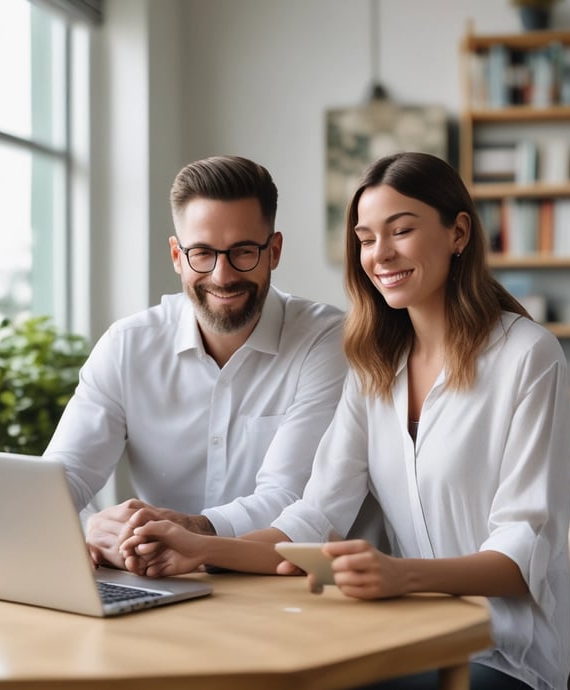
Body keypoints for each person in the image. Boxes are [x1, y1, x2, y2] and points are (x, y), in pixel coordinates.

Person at [120, 152, 570, 690]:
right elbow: (314, 518)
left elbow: (521, 555)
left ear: (458, 233)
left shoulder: (528, 356)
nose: (380, 254)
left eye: (400, 230)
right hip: (411, 638)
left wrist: (399, 575)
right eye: (365, 238)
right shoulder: (375, 366)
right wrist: (199, 548)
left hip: (503, 656)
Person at [44, 155, 347, 569]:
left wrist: (191, 531)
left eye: (243, 252)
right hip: (158, 582)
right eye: (202, 253)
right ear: (176, 255)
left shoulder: (325, 341)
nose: (222, 276)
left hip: (281, 589)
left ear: (274, 251)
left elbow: (289, 496)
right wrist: (91, 527)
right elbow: (63, 477)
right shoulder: (127, 345)